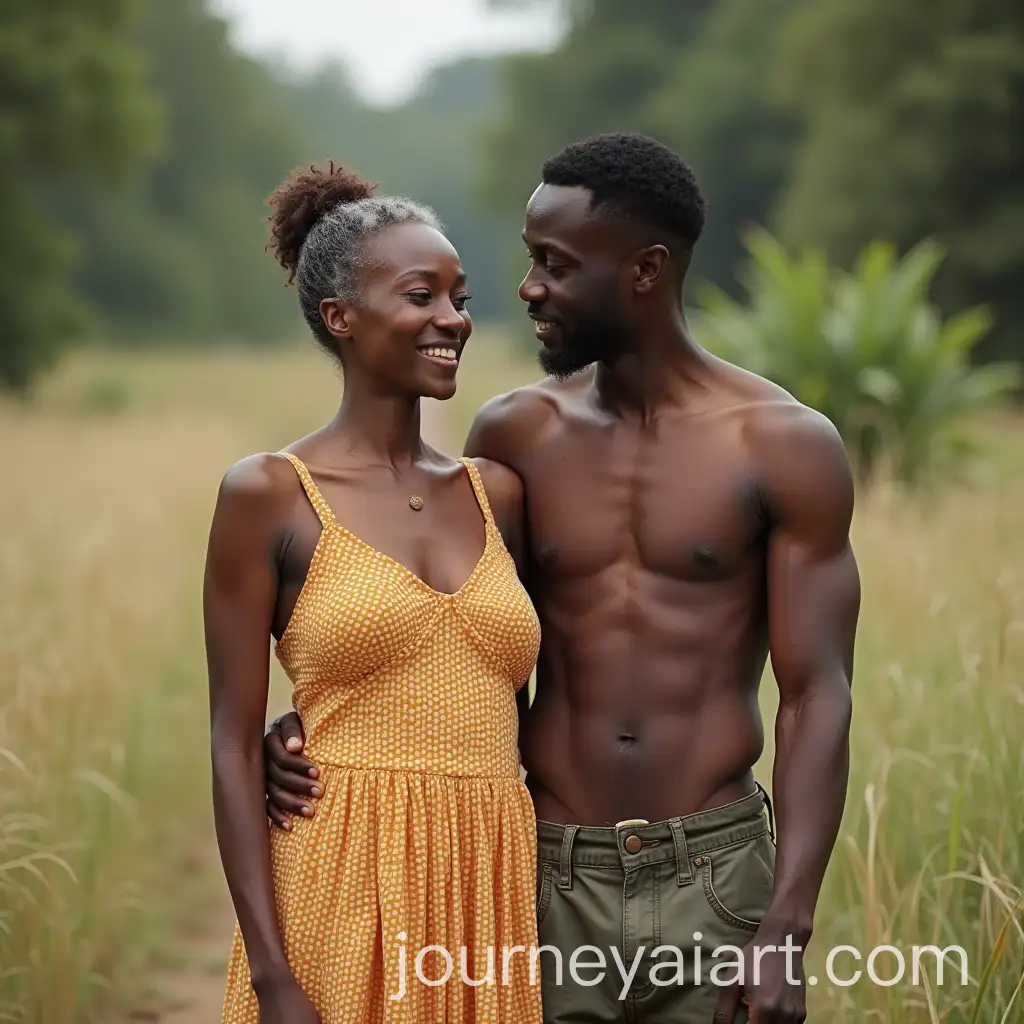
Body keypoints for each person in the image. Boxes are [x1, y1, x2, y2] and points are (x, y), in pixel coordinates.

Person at [262, 133, 861, 1024]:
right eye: (529, 258)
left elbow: (818, 695)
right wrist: (326, 721)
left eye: (555, 263)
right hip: (537, 872)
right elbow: (454, 633)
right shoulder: (513, 440)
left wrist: (785, 929)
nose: (528, 287)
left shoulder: (784, 444)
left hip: (716, 875)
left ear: (646, 269)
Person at [204, 160, 545, 1024]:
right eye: (422, 295)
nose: (453, 319)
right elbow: (233, 744)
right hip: (342, 878)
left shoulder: (496, 492)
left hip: (485, 887)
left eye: (459, 297)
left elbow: (523, 706)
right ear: (341, 318)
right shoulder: (270, 493)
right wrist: (272, 979)